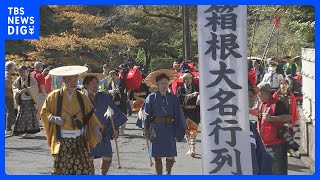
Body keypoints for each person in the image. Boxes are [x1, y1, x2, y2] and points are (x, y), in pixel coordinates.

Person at [40, 66, 103, 175]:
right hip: (62, 139)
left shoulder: (82, 97)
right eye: (69, 80)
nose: (73, 83)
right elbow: (44, 112)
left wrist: (96, 129)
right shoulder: (54, 96)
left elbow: (90, 116)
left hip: (79, 139)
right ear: (64, 80)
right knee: (63, 170)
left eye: (75, 80)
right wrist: (53, 118)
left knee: (82, 169)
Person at [142, 69, 189, 175]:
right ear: (157, 84)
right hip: (155, 128)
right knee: (157, 156)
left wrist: (184, 127)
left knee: (170, 155)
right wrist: (145, 129)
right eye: (162, 83)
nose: (164, 85)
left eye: (166, 83)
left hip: (169, 128)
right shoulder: (151, 98)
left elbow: (179, 113)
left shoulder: (172, 98)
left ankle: (168, 173)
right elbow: (145, 115)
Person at [82, 74, 127, 175]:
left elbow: (114, 111)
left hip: (104, 132)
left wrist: (116, 128)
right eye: (92, 83)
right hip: (89, 133)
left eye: (96, 82)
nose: (95, 85)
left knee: (107, 158)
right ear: (86, 85)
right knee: (89, 159)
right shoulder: (81, 99)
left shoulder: (104, 97)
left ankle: (103, 175)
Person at [253, 82, 291, 174]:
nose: (257, 95)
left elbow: (288, 117)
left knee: (277, 171)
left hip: (276, 144)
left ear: (265, 93)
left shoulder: (277, 103)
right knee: (268, 170)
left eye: (259, 93)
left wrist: (272, 118)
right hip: (265, 143)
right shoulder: (262, 103)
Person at [248, 81, 272, 175]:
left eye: (251, 96)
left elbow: (262, 164)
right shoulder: (219, 126)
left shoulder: (251, 127)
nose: (251, 99)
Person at [273, 79, 300, 156]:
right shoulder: (276, 94)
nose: (283, 85)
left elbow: (294, 109)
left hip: (288, 118)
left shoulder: (291, 96)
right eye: (282, 84)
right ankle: (282, 149)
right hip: (279, 118)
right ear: (279, 85)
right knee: (279, 134)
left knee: (288, 134)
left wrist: (293, 120)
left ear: (288, 85)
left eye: (285, 84)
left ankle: (288, 149)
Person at [12, 66, 40, 138]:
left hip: (29, 100)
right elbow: (14, 87)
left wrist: (27, 89)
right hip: (22, 101)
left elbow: (34, 87)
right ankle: (22, 131)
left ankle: (31, 132)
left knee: (30, 116)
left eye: (23, 72)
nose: (22, 73)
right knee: (21, 116)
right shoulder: (18, 79)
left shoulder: (31, 79)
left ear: (27, 71)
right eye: (20, 72)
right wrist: (17, 91)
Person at [176, 72, 200, 157]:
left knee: (193, 130)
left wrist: (198, 97)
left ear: (191, 79)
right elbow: (179, 97)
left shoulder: (196, 87)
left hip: (194, 111)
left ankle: (193, 148)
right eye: (185, 78)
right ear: (183, 80)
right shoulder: (180, 88)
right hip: (184, 111)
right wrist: (190, 95)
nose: (187, 80)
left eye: (189, 78)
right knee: (187, 131)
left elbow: (200, 95)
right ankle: (190, 148)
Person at [107, 70, 128, 135]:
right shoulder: (110, 83)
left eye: (113, 75)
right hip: (114, 102)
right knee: (115, 117)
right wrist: (111, 91)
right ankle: (117, 130)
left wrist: (116, 90)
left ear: (116, 75)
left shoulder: (122, 82)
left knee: (124, 116)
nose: (112, 77)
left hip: (122, 102)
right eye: (111, 75)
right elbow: (106, 90)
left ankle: (122, 130)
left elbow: (123, 88)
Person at [5, 61, 17, 134]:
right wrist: (12, 88)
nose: (14, 69)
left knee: (6, 112)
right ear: (10, 67)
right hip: (7, 95)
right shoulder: (7, 75)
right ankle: (8, 129)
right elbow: (6, 84)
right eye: (13, 67)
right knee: (10, 112)